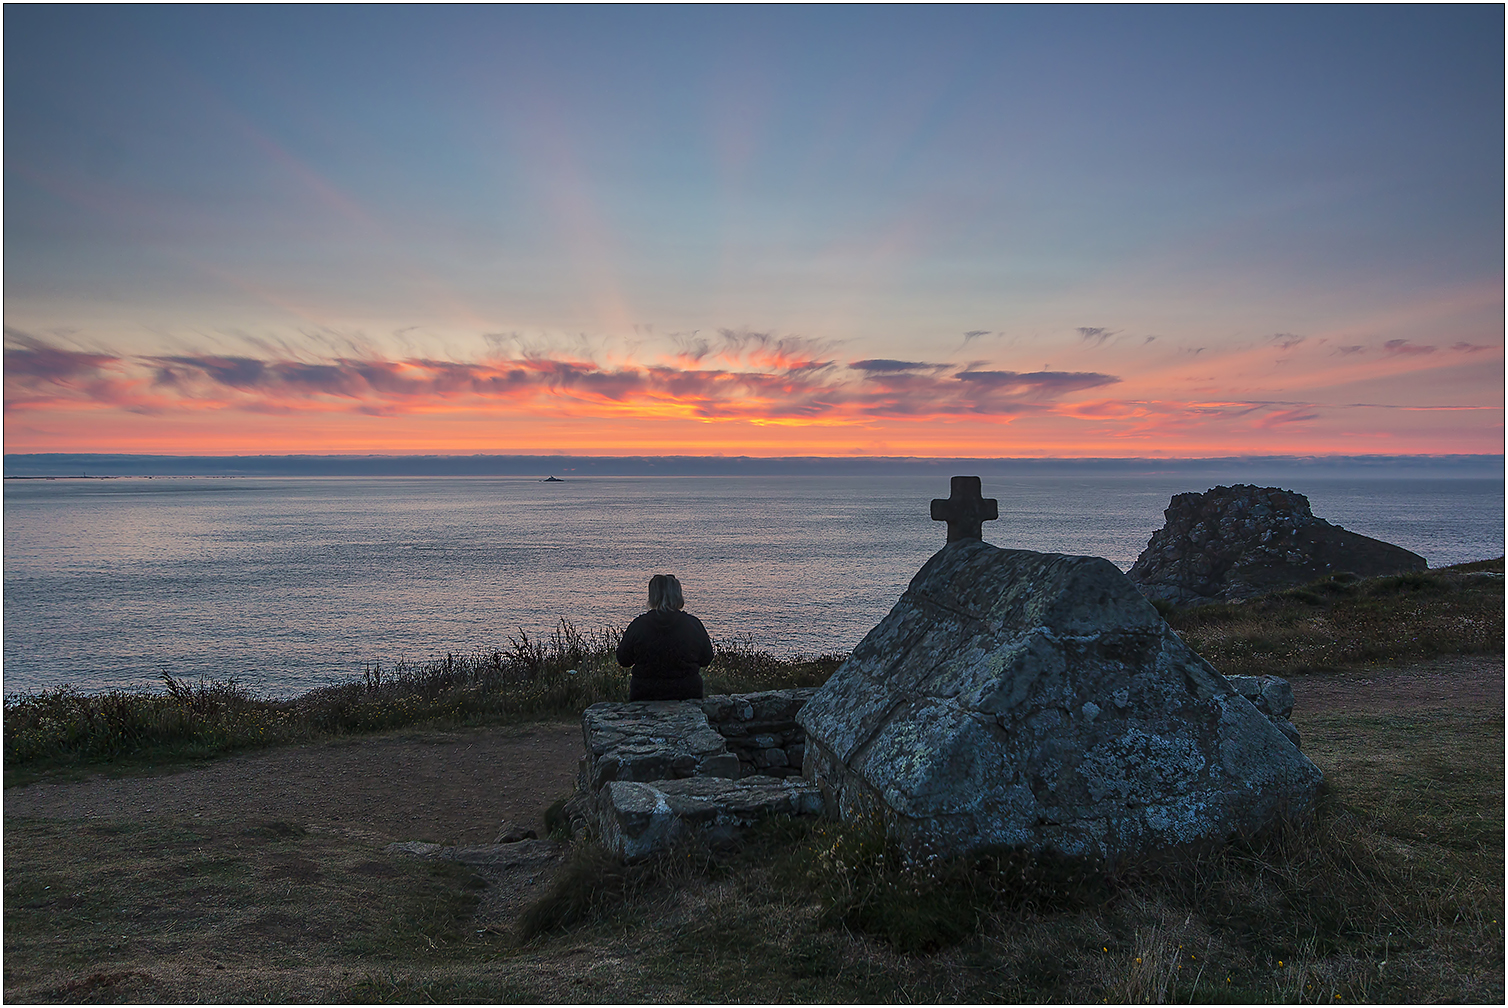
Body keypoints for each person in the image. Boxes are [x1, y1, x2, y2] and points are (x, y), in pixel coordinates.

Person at [615, 573, 714, 701]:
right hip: (687, 695)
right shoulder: (692, 624)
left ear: (652, 597)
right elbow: (706, 658)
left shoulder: (638, 626)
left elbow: (623, 659)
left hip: (645, 696)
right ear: (678, 595)